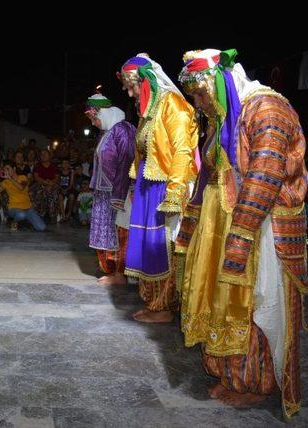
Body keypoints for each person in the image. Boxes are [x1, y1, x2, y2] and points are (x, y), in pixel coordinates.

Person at [176, 49, 308, 417]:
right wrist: (193, 225)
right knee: (222, 299)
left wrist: (241, 234)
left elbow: (265, 174)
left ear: (219, 83)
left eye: (202, 94)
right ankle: (232, 375)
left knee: (251, 302)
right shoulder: (223, 117)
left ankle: (256, 384)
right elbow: (209, 177)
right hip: (224, 225)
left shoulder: (266, 108)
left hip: (263, 227)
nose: (200, 103)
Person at [117, 53, 198, 322]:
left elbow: (182, 152)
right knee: (145, 244)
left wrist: (175, 194)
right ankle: (154, 303)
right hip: (146, 185)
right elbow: (143, 150)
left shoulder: (172, 105)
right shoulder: (149, 109)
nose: (129, 94)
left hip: (163, 186)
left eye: (131, 87)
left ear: (145, 81)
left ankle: (164, 307)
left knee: (161, 246)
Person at [84, 92, 136, 285]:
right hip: (104, 192)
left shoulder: (123, 130)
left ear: (103, 113)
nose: (93, 123)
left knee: (118, 232)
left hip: (116, 192)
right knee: (107, 231)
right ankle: (112, 270)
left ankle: (120, 274)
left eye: (94, 118)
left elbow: (126, 162)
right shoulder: (108, 132)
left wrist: (119, 195)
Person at [0, 161, 46, 231]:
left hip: (27, 207)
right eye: (5, 170)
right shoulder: (5, 182)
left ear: (14, 169)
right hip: (14, 207)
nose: (6, 171)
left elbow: (21, 187)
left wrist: (10, 179)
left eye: (8, 169)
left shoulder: (22, 177)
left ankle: (23, 223)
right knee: (21, 215)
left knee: (41, 227)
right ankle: (15, 222)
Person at [32, 149, 61, 223]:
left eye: (45, 154)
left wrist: (51, 183)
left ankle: (52, 215)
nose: (43, 155)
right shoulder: (37, 165)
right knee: (40, 191)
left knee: (54, 192)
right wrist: (45, 183)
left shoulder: (54, 166)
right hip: (40, 183)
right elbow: (36, 177)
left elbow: (57, 177)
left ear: (49, 156)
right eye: (41, 154)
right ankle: (40, 214)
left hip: (52, 184)